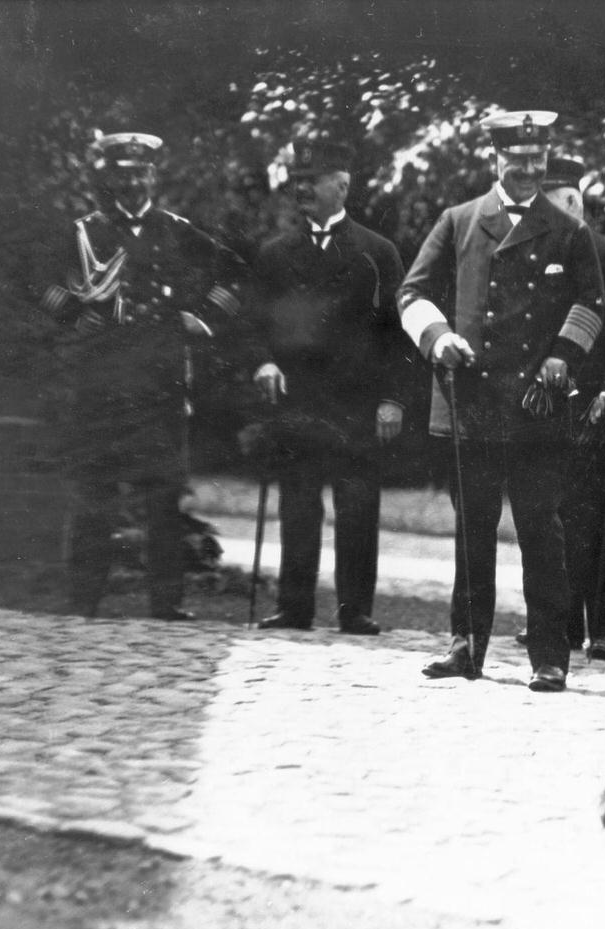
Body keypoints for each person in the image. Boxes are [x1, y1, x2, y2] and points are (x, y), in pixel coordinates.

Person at [399, 110, 604, 692]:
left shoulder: (568, 228)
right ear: (496, 159)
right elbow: (412, 292)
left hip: (538, 405)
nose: (527, 170)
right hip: (476, 402)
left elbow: (592, 301)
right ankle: (466, 646)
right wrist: (440, 338)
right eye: (517, 161)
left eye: (537, 162)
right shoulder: (460, 221)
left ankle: (550, 655)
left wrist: (564, 352)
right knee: (474, 528)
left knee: (542, 529)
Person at [39, 132, 246, 621]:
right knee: (94, 494)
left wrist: (201, 317)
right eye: (121, 174)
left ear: (153, 176)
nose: (130, 182)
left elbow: (237, 275)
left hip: (160, 386)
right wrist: (71, 312)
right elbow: (34, 279)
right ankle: (83, 601)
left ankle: (166, 604)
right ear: (107, 178)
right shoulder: (82, 232)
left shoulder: (177, 231)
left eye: (139, 173)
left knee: (163, 495)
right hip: (102, 385)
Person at [250, 139, 412, 635]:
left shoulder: (377, 253)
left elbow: (399, 333)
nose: (302, 189)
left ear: (341, 186)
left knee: (358, 505)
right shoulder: (276, 254)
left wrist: (393, 399)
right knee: (297, 503)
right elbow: (255, 323)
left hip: (357, 402)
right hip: (298, 399)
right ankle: (294, 607)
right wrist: (263, 363)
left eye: (312, 181)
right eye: (297, 181)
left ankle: (354, 609)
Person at [543, 156, 605, 661]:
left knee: (598, 516)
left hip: (593, 400)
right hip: (547, 404)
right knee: (549, 515)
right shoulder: (540, 254)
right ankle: (561, 624)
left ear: (574, 203)